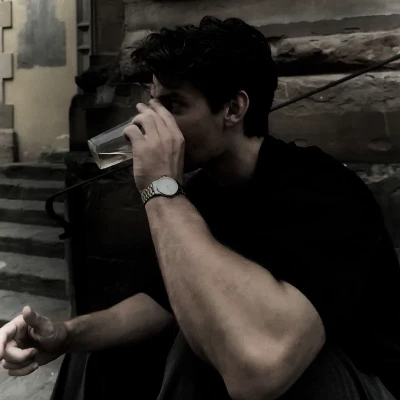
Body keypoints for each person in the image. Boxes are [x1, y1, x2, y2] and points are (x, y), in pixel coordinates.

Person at [1, 15, 399, 400]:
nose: (149, 123)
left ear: (233, 109)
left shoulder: (324, 190)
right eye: (152, 104)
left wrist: (160, 190)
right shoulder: (203, 191)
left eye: (173, 105)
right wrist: (67, 334)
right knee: (98, 354)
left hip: (358, 380)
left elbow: (259, 368)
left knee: (202, 354)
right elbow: (159, 305)